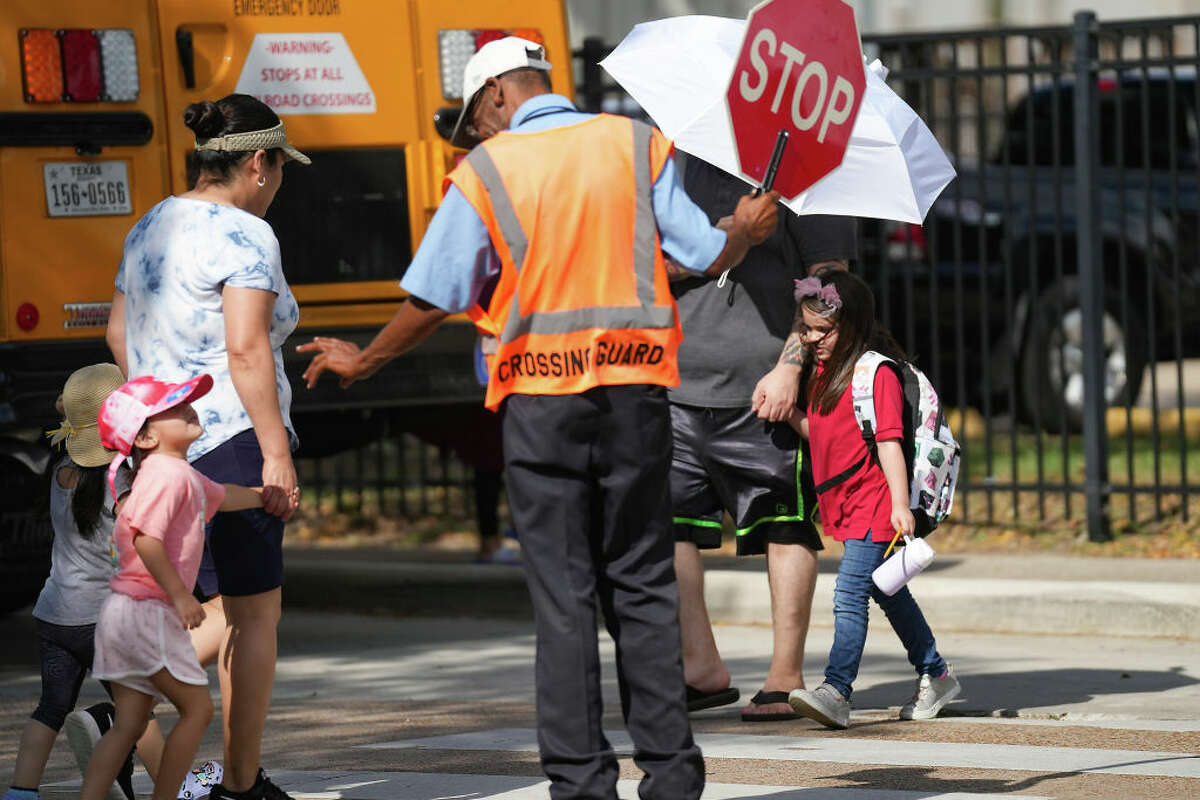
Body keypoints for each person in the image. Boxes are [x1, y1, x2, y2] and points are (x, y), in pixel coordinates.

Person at [297, 36, 779, 800]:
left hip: (540, 408)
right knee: (644, 585)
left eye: (475, 120)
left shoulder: (489, 170)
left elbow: (436, 297)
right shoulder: (634, 144)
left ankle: (582, 785)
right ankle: (672, 778)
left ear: (495, 98)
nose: (478, 135)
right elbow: (699, 251)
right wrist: (745, 232)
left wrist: (363, 362)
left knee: (564, 596)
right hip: (635, 399)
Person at [104, 93, 308, 799]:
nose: (280, 182)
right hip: (233, 436)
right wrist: (276, 454)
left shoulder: (150, 224)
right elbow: (246, 349)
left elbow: (116, 334)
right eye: (281, 168)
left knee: (219, 609)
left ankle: (127, 700)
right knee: (256, 617)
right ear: (258, 162)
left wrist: (157, 419)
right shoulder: (246, 234)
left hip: (167, 445)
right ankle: (240, 785)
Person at [668, 155, 857, 722]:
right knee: (668, 527)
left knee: (783, 523)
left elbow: (828, 281)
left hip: (763, 388)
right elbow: (643, 261)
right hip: (675, 381)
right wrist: (730, 238)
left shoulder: (808, 169)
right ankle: (700, 667)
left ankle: (784, 675)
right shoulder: (675, 165)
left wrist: (790, 367)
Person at [81, 375, 286, 800]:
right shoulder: (167, 477)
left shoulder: (177, 474)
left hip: (125, 613)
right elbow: (146, 540)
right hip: (146, 611)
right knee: (198, 709)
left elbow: (223, 496)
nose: (189, 408)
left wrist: (266, 496)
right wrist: (179, 595)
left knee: (130, 726)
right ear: (146, 436)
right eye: (174, 407)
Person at [784, 268, 961, 729]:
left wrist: (901, 506)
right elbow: (822, 436)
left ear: (854, 326)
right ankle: (936, 673)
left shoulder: (874, 373)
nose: (813, 338)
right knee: (889, 592)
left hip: (877, 504)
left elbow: (888, 443)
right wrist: (790, 415)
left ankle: (837, 690)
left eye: (824, 330)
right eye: (806, 328)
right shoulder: (822, 373)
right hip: (844, 503)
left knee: (849, 593)